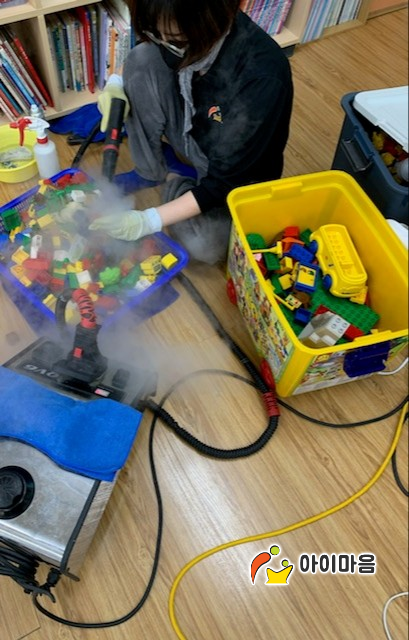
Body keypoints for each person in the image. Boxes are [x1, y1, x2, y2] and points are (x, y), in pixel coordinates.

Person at [91, 0, 293, 264]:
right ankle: (151, 171)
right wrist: (117, 84)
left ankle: (178, 180)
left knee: (205, 246)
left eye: (175, 39)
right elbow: (152, 46)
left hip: (237, 175)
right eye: (157, 34)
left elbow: (227, 181)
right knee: (142, 58)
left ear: (210, 22)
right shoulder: (175, 34)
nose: (165, 43)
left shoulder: (260, 76)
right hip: (194, 127)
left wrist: (148, 220)